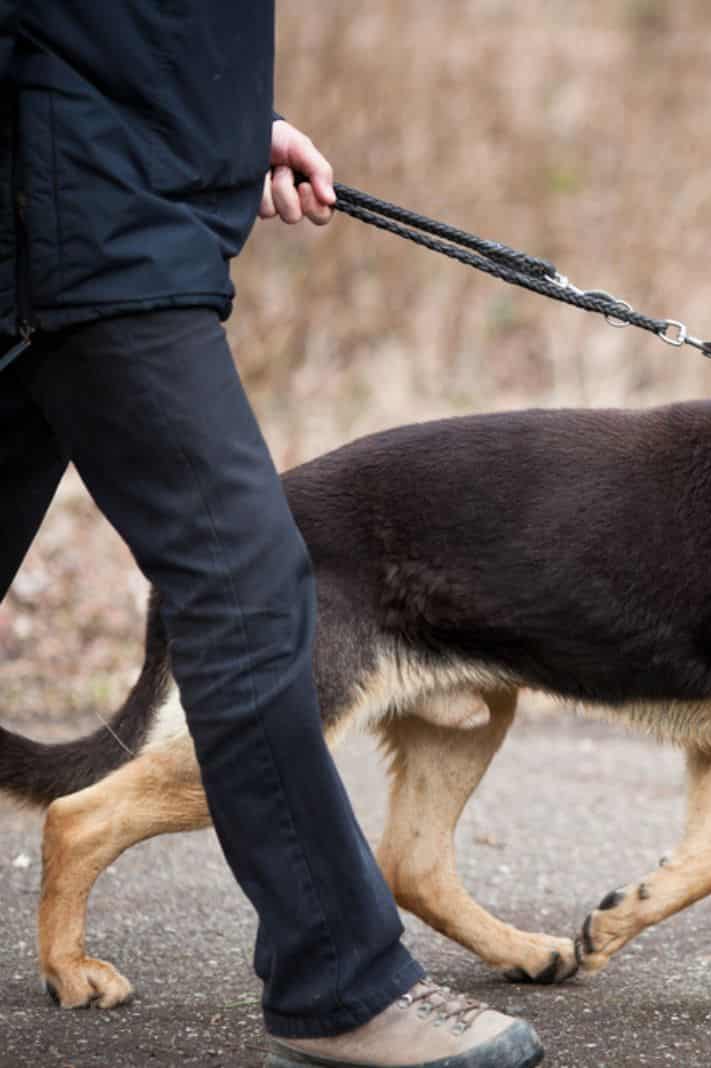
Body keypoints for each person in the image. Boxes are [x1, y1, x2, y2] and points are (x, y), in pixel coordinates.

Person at [1, 6, 542, 1067]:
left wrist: (232, 125)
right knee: (248, 586)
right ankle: (342, 985)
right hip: (83, 223)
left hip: (112, 191)